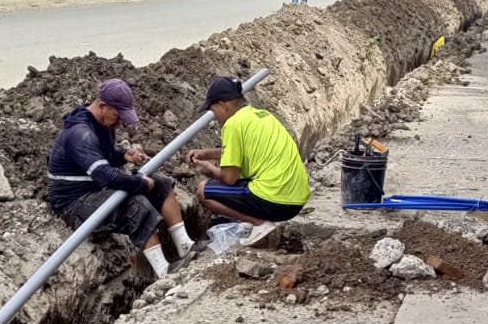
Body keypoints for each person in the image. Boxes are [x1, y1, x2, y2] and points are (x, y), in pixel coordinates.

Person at [47, 79, 194, 279]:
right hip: (73, 203)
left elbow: (103, 158)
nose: (121, 122)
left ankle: (185, 246)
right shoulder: (80, 134)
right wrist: (140, 184)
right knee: (135, 203)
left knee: (161, 183)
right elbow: (104, 175)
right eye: (118, 116)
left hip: (94, 190)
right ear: (102, 106)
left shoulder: (101, 125)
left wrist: (124, 155)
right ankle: (164, 273)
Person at [191, 76, 311, 234]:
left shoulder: (232, 125)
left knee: (203, 191)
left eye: (213, 111)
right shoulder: (262, 115)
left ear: (222, 106)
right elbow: (241, 152)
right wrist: (207, 153)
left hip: (276, 200)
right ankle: (255, 221)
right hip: (296, 199)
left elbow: (229, 178)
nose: (215, 117)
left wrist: (211, 169)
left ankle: (259, 224)